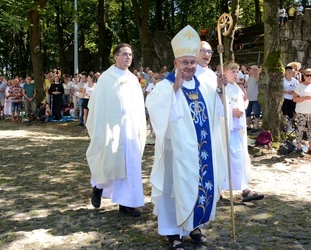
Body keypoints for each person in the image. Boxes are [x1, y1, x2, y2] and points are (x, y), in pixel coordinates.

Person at [145, 25, 227, 249]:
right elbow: (153, 106)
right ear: (176, 63)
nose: (189, 66)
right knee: (175, 189)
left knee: (198, 186)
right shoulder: (165, 86)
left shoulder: (204, 85)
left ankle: (193, 226)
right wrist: (173, 90)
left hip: (202, 151)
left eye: (192, 62)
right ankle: (173, 233)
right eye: (185, 62)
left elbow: (217, 112)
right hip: (176, 150)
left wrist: (220, 90)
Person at [86, 43, 146, 217]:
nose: (128, 58)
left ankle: (126, 203)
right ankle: (98, 187)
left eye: (130, 55)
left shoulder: (133, 79)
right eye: (125, 54)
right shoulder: (106, 78)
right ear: (116, 57)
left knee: (130, 164)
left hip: (130, 129)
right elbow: (96, 105)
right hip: (111, 128)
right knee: (110, 161)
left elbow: (138, 105)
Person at [222, 62, 264, 202]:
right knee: (227, 157)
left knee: (239, 157)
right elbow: (217, 105)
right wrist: (230, 110)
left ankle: (244, 188)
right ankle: (220, 189)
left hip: (237, 128)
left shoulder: (236, 87)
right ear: (225, 72)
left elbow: (243, 102)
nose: (236, 74)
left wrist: (243, 102)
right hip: (226, 129)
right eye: (232, 71)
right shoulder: (221, 88)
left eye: (237, 71)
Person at [293, 68, 311, 154]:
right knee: (300, 129)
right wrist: (304, 98)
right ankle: (298, 147)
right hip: (302, 111)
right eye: (307, 75)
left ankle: (310, 148)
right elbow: (294, 99)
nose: (309, 77)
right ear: (304, 76)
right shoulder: (300, 86)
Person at [245, 65, 261, 133]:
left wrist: (254, 74)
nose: (253, 70)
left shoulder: (259, 77)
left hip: (256, 98)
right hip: (248, 98)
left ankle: (256, 126)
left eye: (255, 69)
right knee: (247, 113)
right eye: (252, 69)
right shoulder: (249, 78)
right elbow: (246, 86)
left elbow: (258, 80)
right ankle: (248, 126)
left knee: (257, 113)